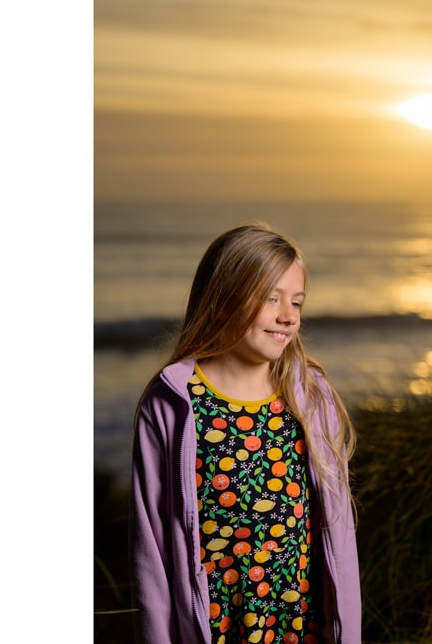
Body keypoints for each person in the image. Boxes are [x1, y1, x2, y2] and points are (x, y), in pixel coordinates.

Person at [129, 222, 360, 644]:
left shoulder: (310, 395)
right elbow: (151, 553)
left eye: (296, 301)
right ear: (224, 297)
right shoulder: (172, 404)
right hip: (214, 626)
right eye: (270, 298)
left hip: (298, 622)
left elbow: (339, 539)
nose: (288, 315)